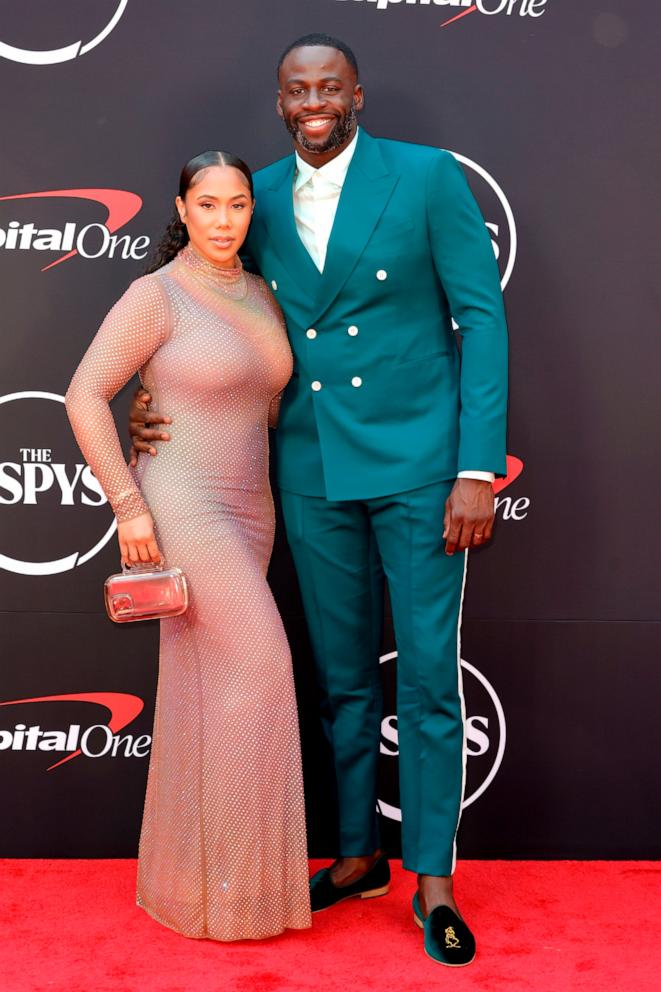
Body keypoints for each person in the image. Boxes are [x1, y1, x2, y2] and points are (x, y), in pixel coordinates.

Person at [130, 35, 508, 966]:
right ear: (278, 102)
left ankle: (432, 880)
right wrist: (153, 394)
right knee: (340, 680)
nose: (313, 101)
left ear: (356, 96)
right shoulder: (249, 196)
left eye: (328, 87)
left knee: (423, 680)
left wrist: (475, 467)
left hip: (422, 467)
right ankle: (354, 858)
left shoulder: (424, 179)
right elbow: (204, 299)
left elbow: (481, 317)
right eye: (296, 89)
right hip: (307, 468)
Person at [65, 151, 311, 941]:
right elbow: (84, 394)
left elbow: (262, 405)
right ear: (182, 207)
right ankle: (236, 896)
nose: (223, 220)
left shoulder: (265, 295)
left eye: (237, 205)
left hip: (252, 509)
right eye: (207, 205)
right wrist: (129, 504)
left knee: (207, 691)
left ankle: (193, 884)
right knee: (262, 670)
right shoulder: (157, 294)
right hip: (182, 503)